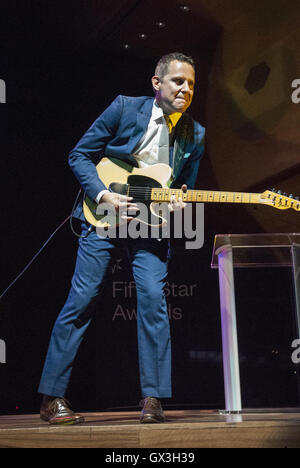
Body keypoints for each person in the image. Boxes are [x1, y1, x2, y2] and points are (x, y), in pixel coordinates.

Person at [38, 52, 205, 425]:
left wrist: (181, 203)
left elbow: (184, 188)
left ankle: (153, 399)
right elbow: (79, 154)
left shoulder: (195, 133)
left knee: (151, 300)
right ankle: (52, 398)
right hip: (105, 216)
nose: (186, 89)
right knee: (82, 299)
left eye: (191, 83)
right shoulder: (124, 108)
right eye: (178, 81)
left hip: (151, 225)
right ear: (156, 83)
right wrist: (102, 194)